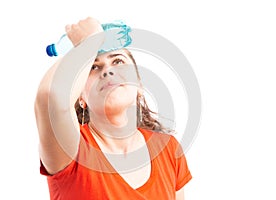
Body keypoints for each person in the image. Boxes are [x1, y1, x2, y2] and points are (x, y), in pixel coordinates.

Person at [35, 17, 192, 200]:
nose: (107, 72)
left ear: (139, 85)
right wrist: (88, 43)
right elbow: (50, 98)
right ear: (80, 97)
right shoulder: (73, 151)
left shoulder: (168, 149)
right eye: (93, 67)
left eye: (117, 61)